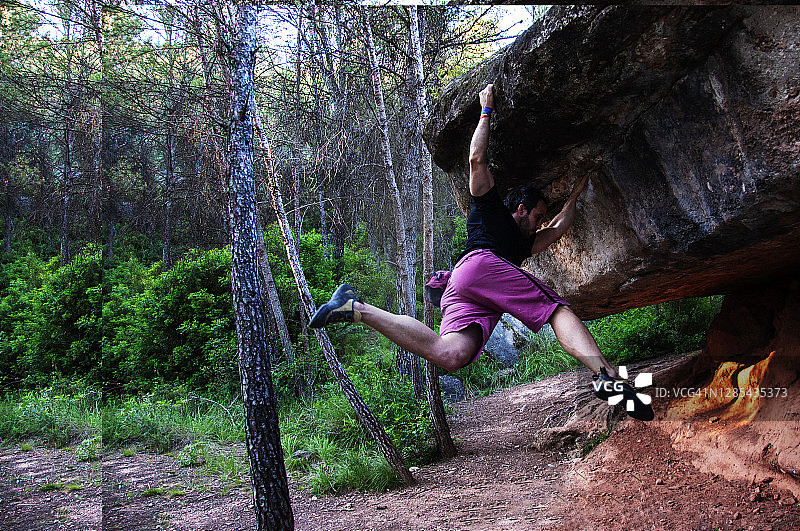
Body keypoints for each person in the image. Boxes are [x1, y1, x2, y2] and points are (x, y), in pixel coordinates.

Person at [310, 84, 653, 421]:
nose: (539, 223)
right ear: (520, 208)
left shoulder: (525, 243)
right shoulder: (490, 208)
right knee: (554, 309)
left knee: (450, 354)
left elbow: (560, 227)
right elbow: (476, 159)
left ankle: (355, 308)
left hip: (467, 288)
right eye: (536, 215)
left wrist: (577, 193)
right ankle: (609, 377)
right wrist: (485, 110)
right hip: (480, 266)